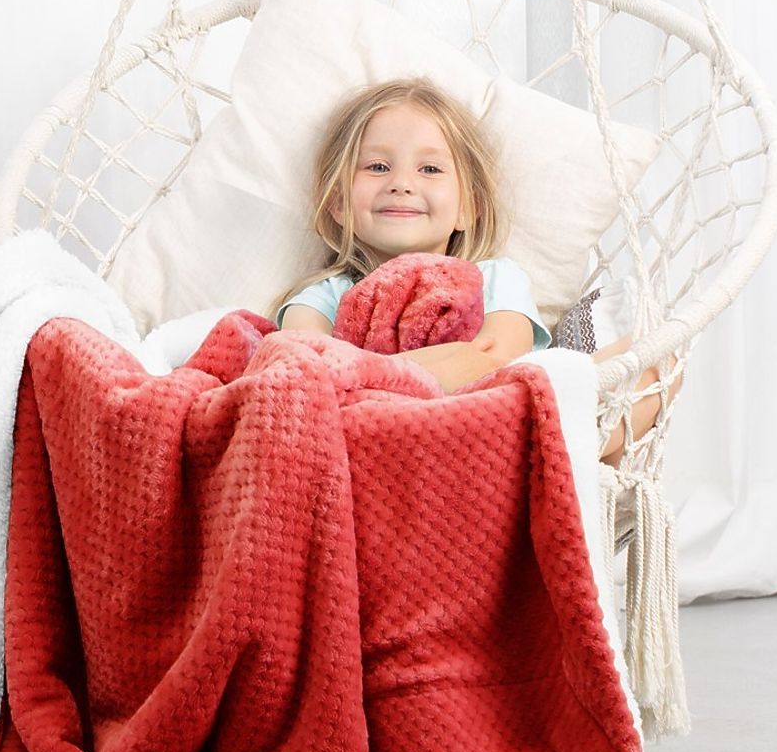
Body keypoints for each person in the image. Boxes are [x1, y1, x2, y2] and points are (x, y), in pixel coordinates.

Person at [270, 78, 676, 465]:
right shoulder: (323, 296)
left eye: (430, 169)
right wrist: (451, 365)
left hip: (496, 430)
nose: (401, 183)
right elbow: (314, 381)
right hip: (386, 447)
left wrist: (378, 374)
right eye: (377, 167)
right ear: (339, 203)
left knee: (657, 360)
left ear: (468, 207)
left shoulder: (494, 279)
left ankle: (548, 466)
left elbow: (497, 358)